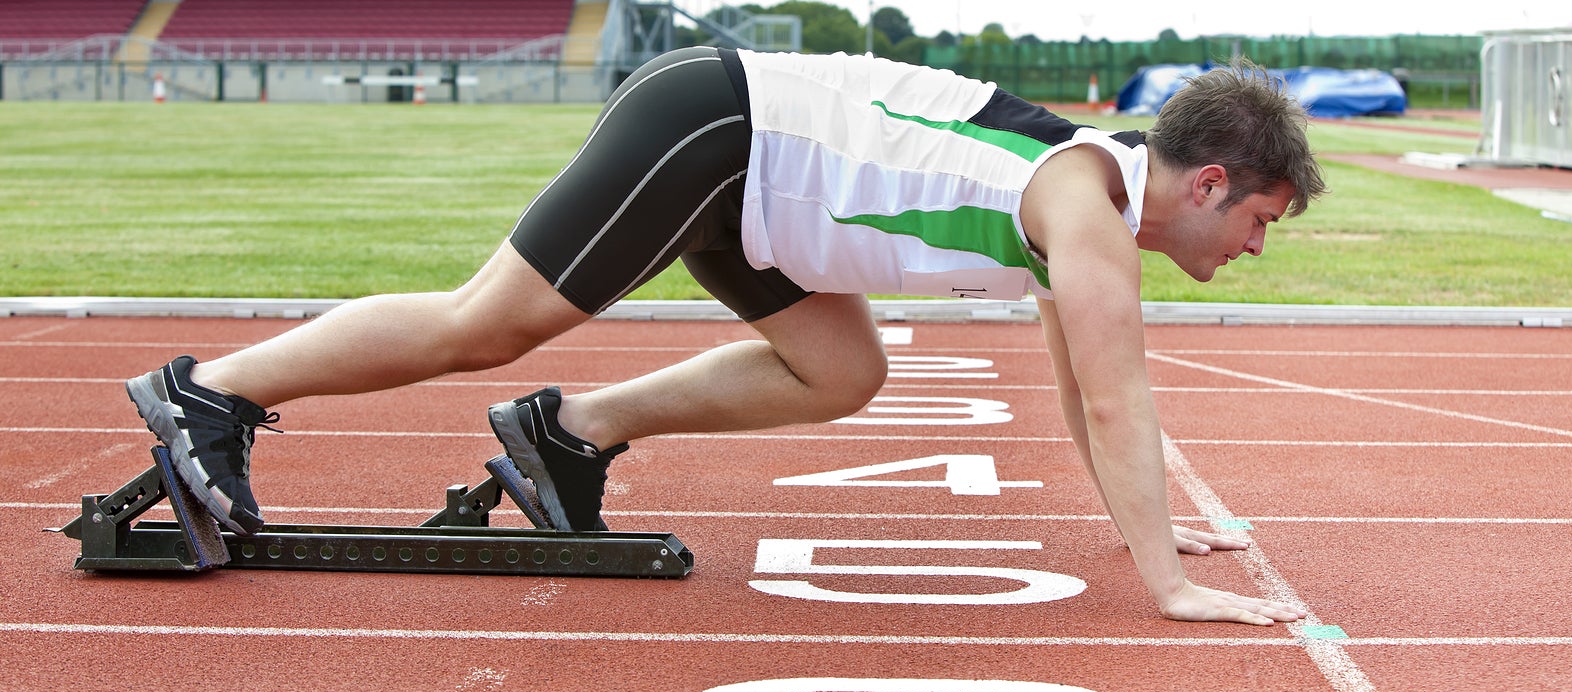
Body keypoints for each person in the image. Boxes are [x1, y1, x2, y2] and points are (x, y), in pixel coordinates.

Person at [126, 47, 1323, 626]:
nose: (1258, 247)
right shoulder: (1086, 213)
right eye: (1262, 220)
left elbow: (1084, 392)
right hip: (719, 130)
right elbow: (1115, 400)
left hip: (764, 194)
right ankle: (213, 392)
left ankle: (571, 435)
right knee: (489, 321)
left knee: (845, 369)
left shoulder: (1094, 202)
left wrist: (1158, 542)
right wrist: (1162, 583)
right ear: (1210, 181)